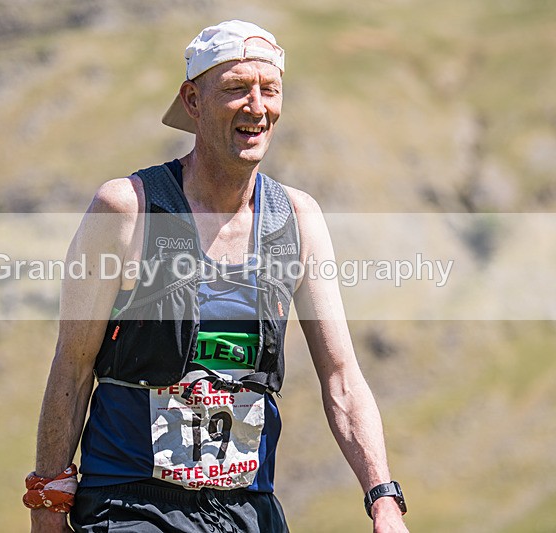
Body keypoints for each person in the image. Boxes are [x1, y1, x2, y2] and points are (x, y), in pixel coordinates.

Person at [25, 20, 409, 533]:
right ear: (193, 101)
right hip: (132, 508)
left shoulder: (296, 220)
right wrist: (47, 506)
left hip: (247, 510)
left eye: (270, 90)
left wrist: (383, 500)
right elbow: (72, 368)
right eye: (236, 89)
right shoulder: (126, 210)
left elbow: (341, 377)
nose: (257, 107)